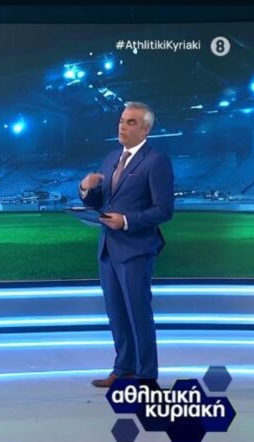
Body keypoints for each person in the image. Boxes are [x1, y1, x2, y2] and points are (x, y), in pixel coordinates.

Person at [79, 101, 174, 387]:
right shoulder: (111, 158)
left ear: (146, 129)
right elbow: (102, 202)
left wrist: (126, 220)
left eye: (131, 122)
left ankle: (146, 376)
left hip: (136, 250)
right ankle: (124, 369)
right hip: (108, 249)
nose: (122, 126)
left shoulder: (156, 161)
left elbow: (164, 210)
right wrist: (86, 188)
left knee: (138, 314)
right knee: (117, 315)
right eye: (121, 120)